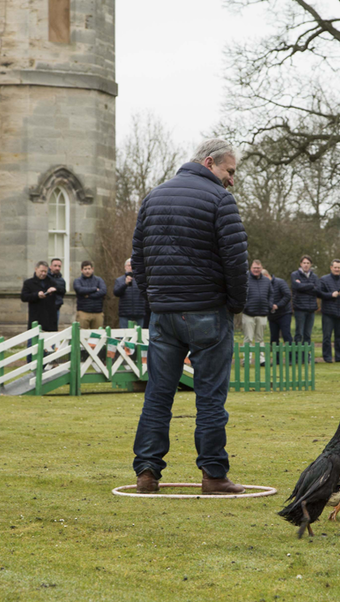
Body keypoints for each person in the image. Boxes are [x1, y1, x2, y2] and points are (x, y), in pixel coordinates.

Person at [130, 138, 248, 495]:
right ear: (210, 162)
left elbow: (139, 259)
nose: (232, 180)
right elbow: (236, 261)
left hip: (163, 314)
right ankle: (213, 475)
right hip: (208, 313)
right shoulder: (220, 201)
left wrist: (154, 299)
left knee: (158, 394)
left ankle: (147, 473)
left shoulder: (153, 197)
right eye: (230, 171)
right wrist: (234, 305)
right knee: (210, 397)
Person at [20, 261, 64, 363]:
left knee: (50, 345)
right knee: (32, 344)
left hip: (50, 318)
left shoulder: (52, 281)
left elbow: (63, 290)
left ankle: (47, 365)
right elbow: (24, 297)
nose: (43, 273)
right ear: (36, 269)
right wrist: (36, 295)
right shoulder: (28, 283)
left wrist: (55, 289)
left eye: (45, 271)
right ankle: (31, 365)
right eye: (41, 271)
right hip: (36, 317)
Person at [318, 259, 340, 363]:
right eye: (335, 267)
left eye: (339, 268)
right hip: (328, 312)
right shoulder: (324, 279)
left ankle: (339, 356)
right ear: (331, 267)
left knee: (339, 337)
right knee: (327, 336)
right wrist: (330, 295)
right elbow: (319, 293)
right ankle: (327, 357)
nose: (337, 269)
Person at [242, 260, 271, 362]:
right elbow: (241, 295)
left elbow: (271, 294)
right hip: (248, 314)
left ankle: (261, 359)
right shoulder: (245, 279)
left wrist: (269, 305)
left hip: (262, 314)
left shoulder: (267, 281)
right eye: (254, 268)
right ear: (251, 268)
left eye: (258, 268)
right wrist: (245, 306)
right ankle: (247, 358)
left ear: (261, 268)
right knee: (248, 338)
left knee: (260, 338)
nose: (256, 270)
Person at [290, 255, 319, 345]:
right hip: (300, 308)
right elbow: (296, 287)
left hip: (311, 309)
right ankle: (298, 356)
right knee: (299, 333)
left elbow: (317, 290)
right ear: (300, 264)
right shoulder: (295, 275)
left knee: (308, 334)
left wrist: (302, 286)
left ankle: (306, 356)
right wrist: (311, 285)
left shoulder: (314, 276)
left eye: (308, 263)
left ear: (311, 264)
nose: (306, 265)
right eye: (304, 263)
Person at [73, 260, 107, 329]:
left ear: (92, 269)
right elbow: (80, 290)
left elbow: (103, 291)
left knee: (97, 336)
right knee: (82, 335)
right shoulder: (77, 281)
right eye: (85, 269)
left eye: (89, 269)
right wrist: (94, 289)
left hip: (98, 312)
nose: (87, 271)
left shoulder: (99, 280)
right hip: (83, 312)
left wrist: (89, 296)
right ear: (81, 270)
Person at [113, 259, 146, 328]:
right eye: (129, 265)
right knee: (125, 336)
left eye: (132, 265)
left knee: (139, 336)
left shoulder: (141, 280)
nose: (131, 267)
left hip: (139, 313)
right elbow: (116, 293)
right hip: (125, 314)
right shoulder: (119, 280)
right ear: (125, 267)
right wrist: (125, 284)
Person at [263, 269, 292, 345]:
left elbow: (287, 295)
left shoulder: (280, 282)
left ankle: (291, 356)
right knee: (274, 338)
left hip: (284, 313)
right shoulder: (264, 286)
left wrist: (278, 305)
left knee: (286, 335)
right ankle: (277, 356)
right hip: (272, 316)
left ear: (266, 276)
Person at [48, 257, 66, 328]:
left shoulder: (62, 280)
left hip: (56, 308)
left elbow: (63, 292)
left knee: (54, 329)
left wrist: (56, 289)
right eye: (55, 266)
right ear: (50, 266)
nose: (57, 268)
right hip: (45, 308)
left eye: (59, 266)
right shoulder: (46, 278)